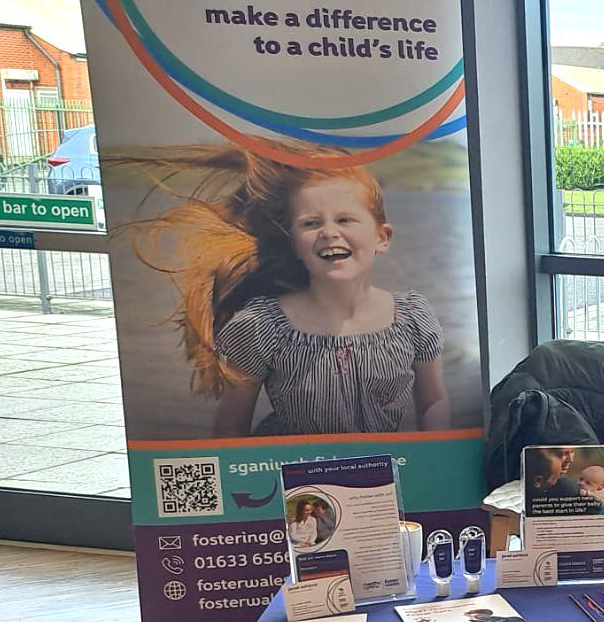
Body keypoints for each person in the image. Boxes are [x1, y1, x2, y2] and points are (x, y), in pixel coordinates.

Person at [131, 147, 447, 437]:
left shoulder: (412, 318)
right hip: (296, 483)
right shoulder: (261, 327)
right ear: (294, 244)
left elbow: (434, 401)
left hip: (380, 477)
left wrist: (433, 454)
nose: (329, 232)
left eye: (345, 219)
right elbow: (231, 423)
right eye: (310, 223)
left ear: (382, 237)